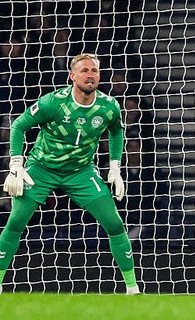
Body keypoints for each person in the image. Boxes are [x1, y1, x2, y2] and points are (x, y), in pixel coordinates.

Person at [0, 53, 139, 294]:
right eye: (84, 71)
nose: (90, 75)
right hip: (42, 169)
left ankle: (133, 289)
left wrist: (115, 166)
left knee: (115, 224)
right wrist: (15, 163)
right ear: (72, 76)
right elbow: (19, 125)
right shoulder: (53, 102)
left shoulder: (109, 106)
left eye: (94, 71)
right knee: (15, 223)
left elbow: (117, 131)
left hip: (81, 172)